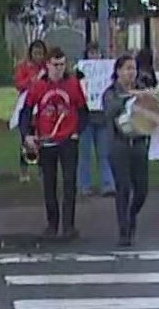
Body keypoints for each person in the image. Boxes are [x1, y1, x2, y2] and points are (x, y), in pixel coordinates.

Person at [21, 46, 87, 240]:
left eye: (62, 64)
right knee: (49, 184)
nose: (59, 69)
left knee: (69, 183)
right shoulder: (39, 86)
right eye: (55, 65)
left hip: (68, 141)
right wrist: (27, 135)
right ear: (47, 65)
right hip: (47, 142)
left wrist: (77, 132)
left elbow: (84, 112)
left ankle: (68, 225)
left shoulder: (73, 84)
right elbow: (25, 111)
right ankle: (52, 223)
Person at [103, 54, 152, 247]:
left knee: (142, 191)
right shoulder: (111, 92)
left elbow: (151, 112)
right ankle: (124, 230)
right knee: (123, 189)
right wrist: (128, 97)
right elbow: (109, 111)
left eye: (134, 68)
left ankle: (132, 214)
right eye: (128, 69)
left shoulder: (141, 89)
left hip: (139, 143)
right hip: (119, 144)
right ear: (118, 71)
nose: (132, 73)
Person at [77, 47, 115, 199]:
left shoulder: (107, 73)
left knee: (104, 154)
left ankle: (108, 184)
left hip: (102, 118)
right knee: (85, 154)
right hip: (86, 119)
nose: (95, 56)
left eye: (97, 53)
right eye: (91, 53)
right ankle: (85, 185)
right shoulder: (80, 73)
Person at [13, 40, 48, 184]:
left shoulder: (47, 67)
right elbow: (19, 84)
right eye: (35, 53)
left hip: (41, 106)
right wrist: (31, 80)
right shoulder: (24, 67)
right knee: (26, 138)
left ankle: (42, 169)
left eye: (40, 53)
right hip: (27, 105)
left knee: (42, 137)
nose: (38, 56)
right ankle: (24, 169)